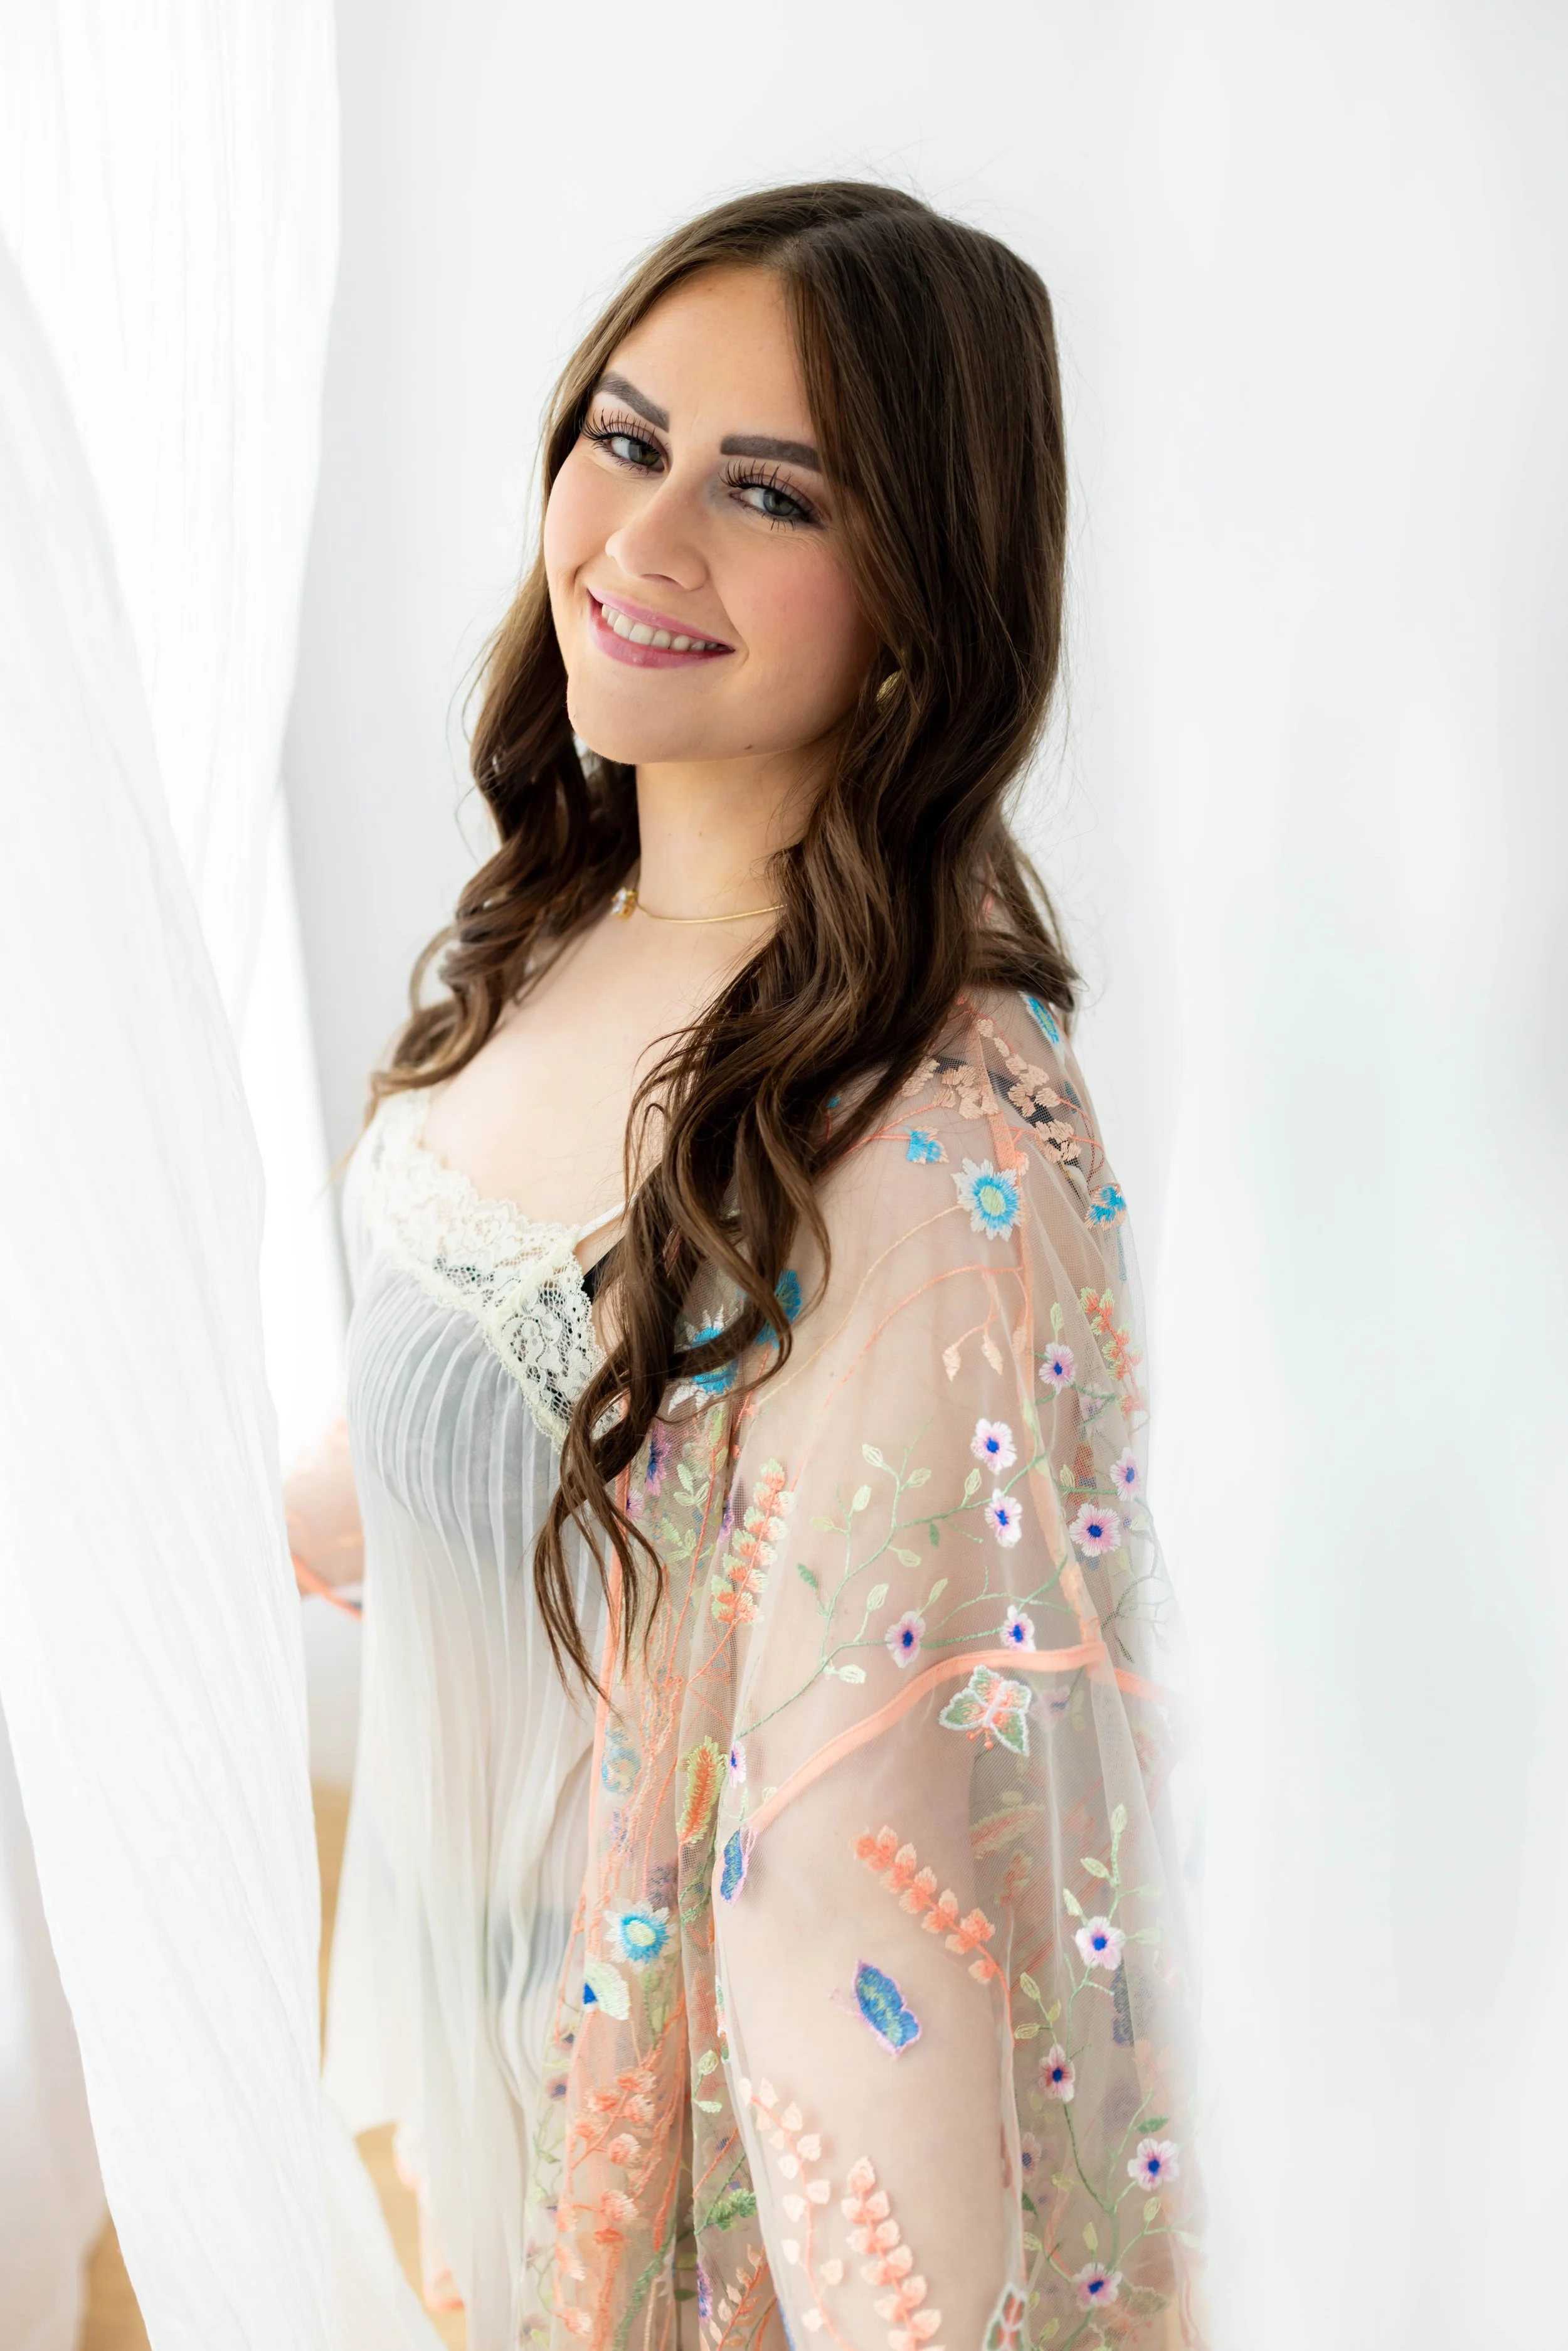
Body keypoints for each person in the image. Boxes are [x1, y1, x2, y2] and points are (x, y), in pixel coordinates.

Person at [287, 181, 1202, 2351]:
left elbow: (845, 1875)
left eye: (766, 490)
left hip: (716, 2192)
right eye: (622, 438)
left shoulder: (907, 1131)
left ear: (919, 592)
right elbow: (465, 1423)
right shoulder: (542, 937)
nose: (644, 537)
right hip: (466, 2083)